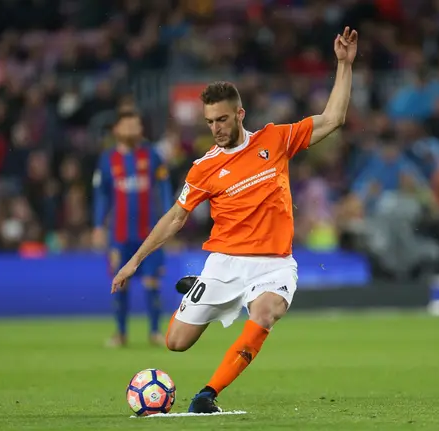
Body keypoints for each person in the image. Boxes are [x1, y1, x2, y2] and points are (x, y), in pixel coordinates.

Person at [111, 27, 358, 413]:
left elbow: (333, 118)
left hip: (274, 265)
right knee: (176, 342)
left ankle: (207, 394)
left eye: (222, 120)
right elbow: (176, 217)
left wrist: (344, 65)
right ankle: (203, 288)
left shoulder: (275, 140)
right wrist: (135, 261)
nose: (216, 129)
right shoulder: (203, 168)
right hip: (224, 263)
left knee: (265, 314)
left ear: (239, 114)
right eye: (210, 122)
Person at [93, 111, 173, 348]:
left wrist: (170, 219)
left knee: (152, 283)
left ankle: (156, 331)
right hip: (119, 236)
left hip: (149, 234)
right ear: (116, 129)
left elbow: (165, 188)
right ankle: (120, 333)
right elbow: (101, 196)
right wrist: (98, 225)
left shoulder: (152, 156)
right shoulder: (107, 160)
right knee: (120, 283)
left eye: (136, 124)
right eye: (127, 124)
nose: (132, 129)